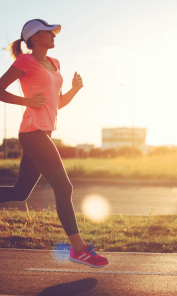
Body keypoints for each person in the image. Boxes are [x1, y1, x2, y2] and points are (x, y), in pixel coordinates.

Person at [0, 19, 108, 268]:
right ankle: (79, 249)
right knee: (64, 187)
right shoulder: (24, 61)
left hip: (44, 133)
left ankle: (79, 250)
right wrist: (26, 102)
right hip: (32, 133)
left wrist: (74, 90)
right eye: (49, 32)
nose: (54, 36)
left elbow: (56, 103)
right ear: (35, 37)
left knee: (20, 192)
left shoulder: (55, 64)